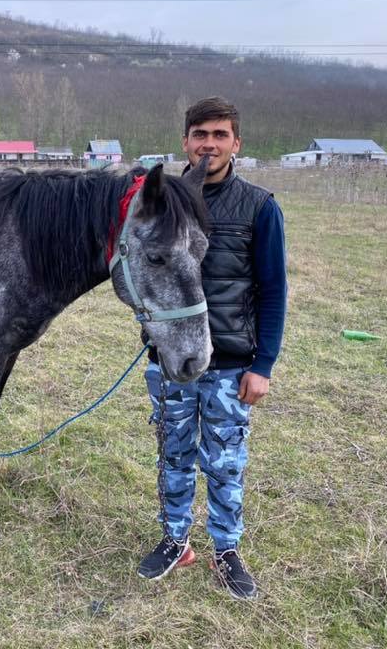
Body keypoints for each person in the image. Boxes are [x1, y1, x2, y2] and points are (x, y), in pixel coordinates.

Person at [136, 96, 287, 600]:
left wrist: (262, 365)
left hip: (230, 365)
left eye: (220, 135)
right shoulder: (159, 202)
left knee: (224, 462)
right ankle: (176, 541)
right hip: (171, 364)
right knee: (172, 455)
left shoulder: (259, 208)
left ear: (236, 143)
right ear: (185, 141)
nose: (209, 144)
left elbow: (273, 290)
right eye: (200, 134)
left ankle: (226, 550)